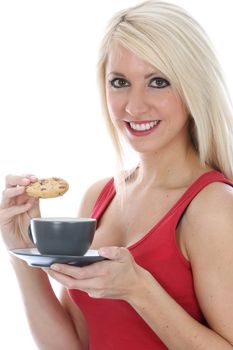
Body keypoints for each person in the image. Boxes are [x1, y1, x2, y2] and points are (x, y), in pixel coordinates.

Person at [1, 0, 233, 349]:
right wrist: (20, 247)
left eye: (158, 81)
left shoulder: (213, 207)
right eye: (120, 81)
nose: (134, 106)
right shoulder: (99, 197)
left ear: (192, 86)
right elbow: (73, 344)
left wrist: (140, 290)